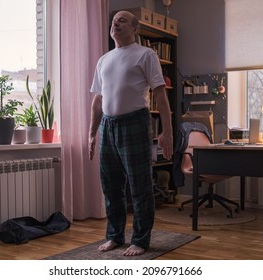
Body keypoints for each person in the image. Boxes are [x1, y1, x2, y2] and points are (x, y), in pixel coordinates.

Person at [88, 10, 173, 256]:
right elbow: (98, 101)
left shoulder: (146, 55)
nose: (116, 23)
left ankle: (140, 239)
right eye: (114, 21)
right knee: (111, 186)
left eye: (122, 20)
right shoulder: (103, 60)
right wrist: (91, 133)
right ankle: (114, 236)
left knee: (140, 185)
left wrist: (166, 132)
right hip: (107, 126)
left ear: (135, 29)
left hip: (135, 123)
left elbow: (160, 94)